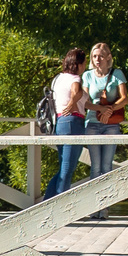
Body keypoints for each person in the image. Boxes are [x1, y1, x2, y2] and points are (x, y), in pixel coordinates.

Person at [46, 47, 88, 198]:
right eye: (84, 63)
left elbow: (84, 102)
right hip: (73, 122)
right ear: (78, 64)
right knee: (67, 169)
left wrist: (101, 108)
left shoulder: (58, 78)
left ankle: (47, 202)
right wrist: (71, 103)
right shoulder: (75, 79)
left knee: (63, 168)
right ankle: (57, 207)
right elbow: (76, 92)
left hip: (60, 123)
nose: (85, 66)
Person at [80, 44, 127, 177]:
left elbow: (124, 98)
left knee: (107, 166)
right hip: (92, 124)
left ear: (108, 57)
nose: (97, 59)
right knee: (95, 166)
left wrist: (109, 110)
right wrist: (101, 109)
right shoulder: (88, 76)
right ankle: (94, 197)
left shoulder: (116, 74)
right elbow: (85, 102)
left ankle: (108, 197)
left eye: (100, 56)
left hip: (111, 123)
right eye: (94, 56)